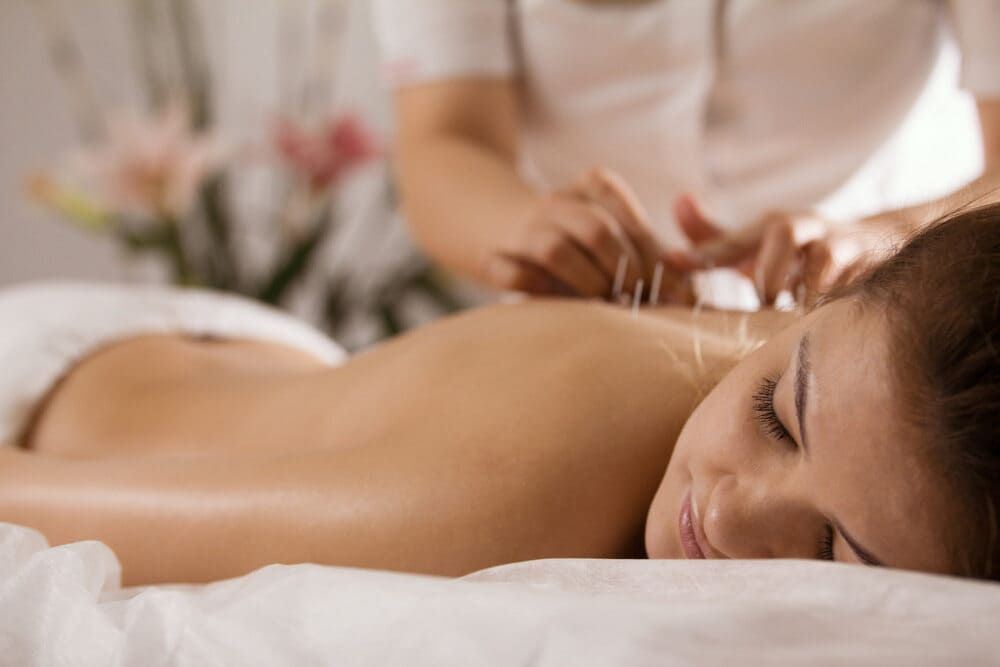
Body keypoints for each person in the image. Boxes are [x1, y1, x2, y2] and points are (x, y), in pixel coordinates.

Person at [1, 200, 998, 585]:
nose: (732, 517)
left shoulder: (833, 355)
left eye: (833, 548)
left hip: (269, 365)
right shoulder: (498, 499)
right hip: (52, 378)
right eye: (776, 412)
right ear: (830, 294)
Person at [372, 0, 1000, 306]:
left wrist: (890, 242)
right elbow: (447, 141)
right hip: (589, 323)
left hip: (884, 298)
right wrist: (531, 230)